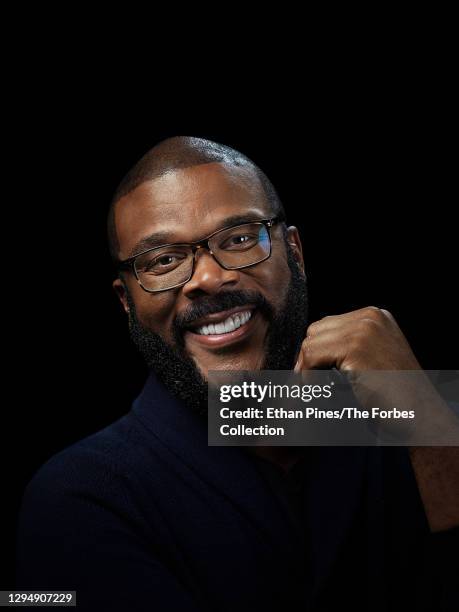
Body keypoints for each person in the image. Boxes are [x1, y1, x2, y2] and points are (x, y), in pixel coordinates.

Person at [16, 137, 458, 610]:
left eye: (240, 238)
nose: (207, 278)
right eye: (164, 260)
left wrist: (428, 423)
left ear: (296, 254)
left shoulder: (416, 420)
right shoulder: (78, 498)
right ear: (127, 303)